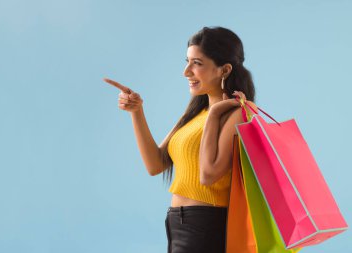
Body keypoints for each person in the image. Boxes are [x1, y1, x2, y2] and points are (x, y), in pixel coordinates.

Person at [104, 26, 258, 253]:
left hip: (206, 226)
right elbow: (155, 164)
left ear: (224, 70)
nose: (186, 71)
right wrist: (137, 112)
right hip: (178, 224)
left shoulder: (238, 112)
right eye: (187, 61)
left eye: (197, 63)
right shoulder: (196, 113)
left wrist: (215, 114)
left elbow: (208, 175)